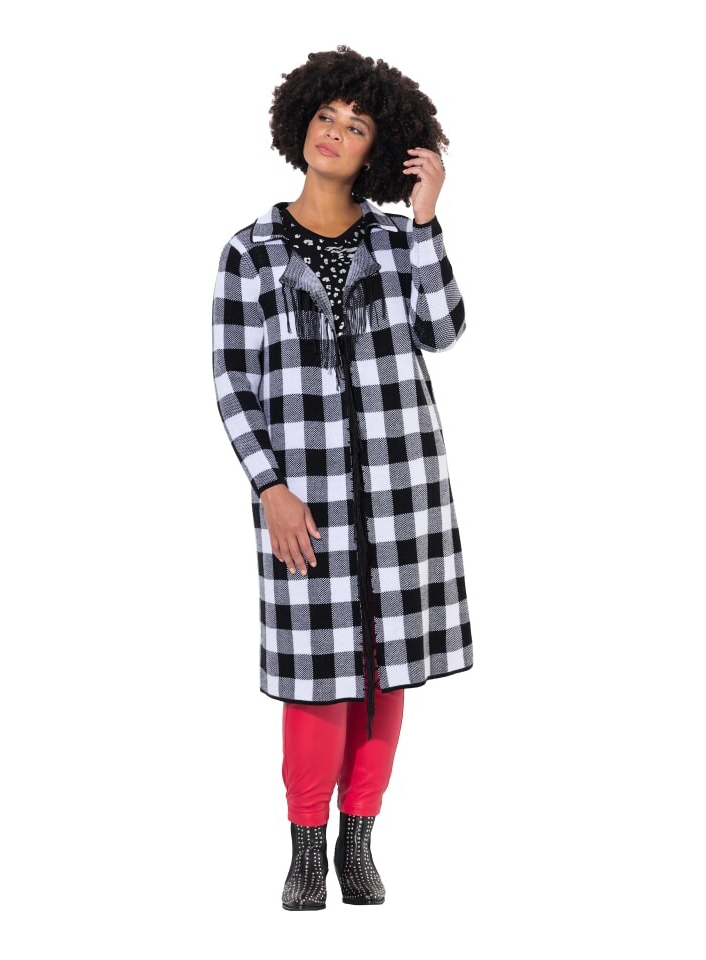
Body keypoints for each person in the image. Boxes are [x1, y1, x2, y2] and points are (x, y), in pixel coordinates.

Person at [211, 45, 473, 910]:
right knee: (315, 676)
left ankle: (358, 842)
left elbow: (444, 329)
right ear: (300, 122)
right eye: (326, 116)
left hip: (402, 496)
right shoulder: (249, 253)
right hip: (305, 502)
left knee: (384, 668)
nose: (334, 133)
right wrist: (270, 487)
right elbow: (233, 382)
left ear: (379, 147)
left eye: (357, 126)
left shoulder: (399, 242)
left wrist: (428, 217)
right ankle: (305, 849)